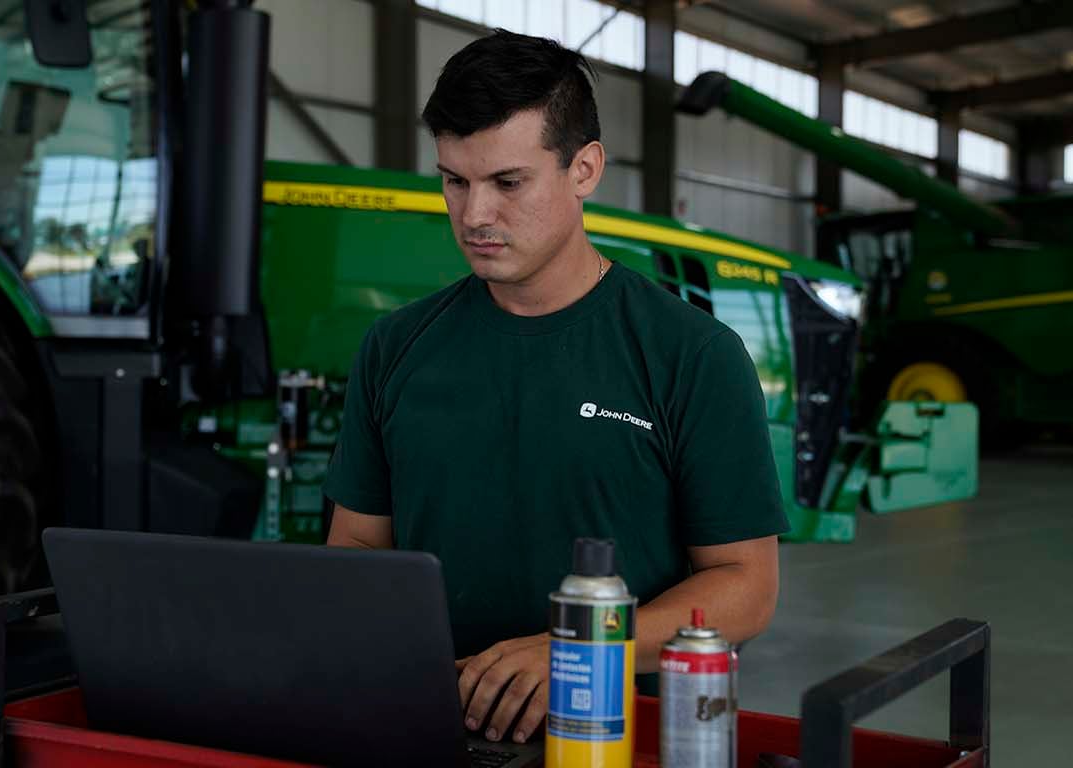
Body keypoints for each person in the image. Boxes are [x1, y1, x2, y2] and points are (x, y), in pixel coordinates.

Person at [323, 29, 787, 747]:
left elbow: (746, 585)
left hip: (613, 735)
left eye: (508, 183)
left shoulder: (691, 354)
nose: (474, 214)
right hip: (428, 726)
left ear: (585, 169)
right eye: (454, 180)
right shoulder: (395, 348)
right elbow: (355, 545)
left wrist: (587, 649)